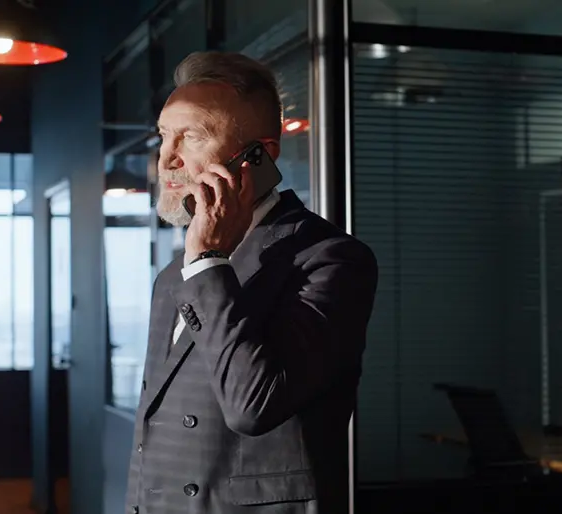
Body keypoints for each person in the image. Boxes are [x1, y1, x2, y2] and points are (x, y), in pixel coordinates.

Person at [126, 51, 378, 514]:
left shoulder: (331, 260)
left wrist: (209, 261)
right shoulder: (173, 275)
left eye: (191, 136)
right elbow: (151, 434)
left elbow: (254, 405)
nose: (166, 159)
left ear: (259, 156)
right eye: (164, 136)